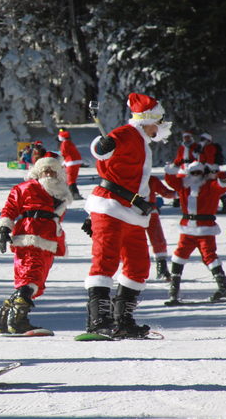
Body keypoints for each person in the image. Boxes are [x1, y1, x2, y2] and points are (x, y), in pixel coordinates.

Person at [82, 92, 172, 338]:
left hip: (132, 212)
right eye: (159, 122)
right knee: (106, 260)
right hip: (110, 207)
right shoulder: (127, 133)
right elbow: (103, 151)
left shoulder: (141, 140)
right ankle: (98, 320)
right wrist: (101, 147)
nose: (160, 127)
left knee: (139, 265)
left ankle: (123, 319)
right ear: (147, 120)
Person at [0, 155, 72, 334]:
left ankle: (4, 314)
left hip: (50, 238)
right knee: (31, 275)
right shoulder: (25, 187)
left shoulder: (60, 191)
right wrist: (4, 229)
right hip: (30, 234)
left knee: (35, 280)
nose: (49, 173)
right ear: (38, 172)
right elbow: (10, 208)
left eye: (53, 170)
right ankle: (18, 321)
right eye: (46, 170)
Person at [163, 161, 226, 304]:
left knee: (210, 257)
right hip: (187, 230)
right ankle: (174, 291)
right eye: (193, 173)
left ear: (204, 174)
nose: (196, 176)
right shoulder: (183, 186)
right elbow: (170, 178)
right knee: (178, 257)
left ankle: (224, 287)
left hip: (205, 230)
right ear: (189, 174)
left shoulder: (211, 186)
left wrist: (218, 173)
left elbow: (225, 183)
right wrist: (173, 166)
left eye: (199, 173)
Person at [146, 176, 176, 281]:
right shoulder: (127, 177)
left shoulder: (151, 180)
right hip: (133, 214)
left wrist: (181, 193)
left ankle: (162, 269)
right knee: (134, 243)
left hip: (150, 212)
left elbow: (165, 192)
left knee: (158, 240)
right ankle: (134, 270)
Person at [197, 133, 226, 212]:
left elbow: (210, 159)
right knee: (211, 187)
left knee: (214, 187)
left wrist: (205, 167)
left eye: (203, 139)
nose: (202, 141)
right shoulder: (205, 147)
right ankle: (224, 204)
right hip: (210, 169)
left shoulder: (209, 147)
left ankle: (225, 203)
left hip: (211, 170)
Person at [57, 128, 84, 200]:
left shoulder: (64, 143)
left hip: (70, 162)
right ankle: (74, 193)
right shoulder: (70, 143)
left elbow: (64, 153)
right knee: (73, 179)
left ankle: (74, 194)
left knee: (70, 179)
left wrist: (63, 162)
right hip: (76, 162)